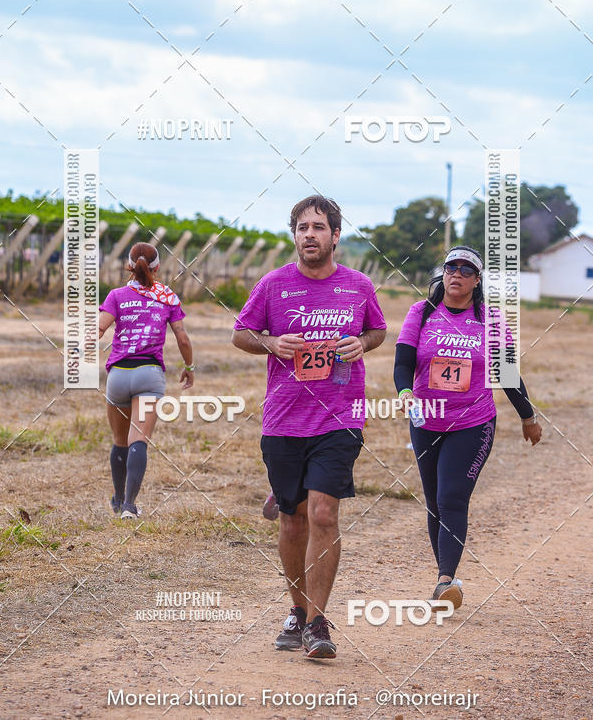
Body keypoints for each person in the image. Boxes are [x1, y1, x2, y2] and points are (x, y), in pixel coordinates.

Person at [232, 196, 387, 658]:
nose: (310, 235)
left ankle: (319, 624)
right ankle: (297, 612)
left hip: (339, 417)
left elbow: (378, 330)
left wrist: (362, 343)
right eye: (302, 227)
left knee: (323, 513)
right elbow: (240, 334)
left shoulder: (358, 287)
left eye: (319, 227)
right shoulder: (274, 284)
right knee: (293, 519)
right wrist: (271, 342)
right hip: (283, 421)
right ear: (294, 234)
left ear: (336, 235)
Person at [394, 245, 542, 609]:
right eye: (451, 267)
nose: (456, 273)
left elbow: (508, 376)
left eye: (465, 269)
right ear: (443, 274)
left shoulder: (490, 319)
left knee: (451, 498)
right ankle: (444, 576)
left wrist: (528, 416)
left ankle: (446, 579)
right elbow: (403, 363)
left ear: (477, 280)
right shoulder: (421, 312)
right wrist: (404, 390)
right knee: (434, 503)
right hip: (426, 419)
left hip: (472, 423)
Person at [98, 243, 194, 519]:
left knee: (119, 440)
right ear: (158, 268)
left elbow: (100, 327)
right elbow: (183, 338)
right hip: (149, 374)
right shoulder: (167, 296)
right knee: (138, 439)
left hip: (118, 375)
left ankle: (116, 500)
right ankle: (129, 505)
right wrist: (189, 366)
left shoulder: (117, 295)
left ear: (129, 266)